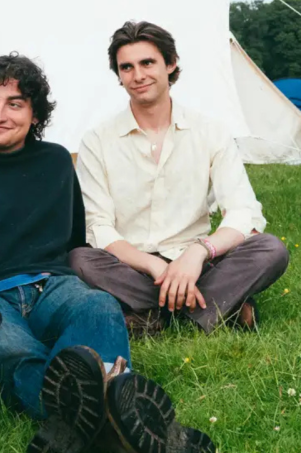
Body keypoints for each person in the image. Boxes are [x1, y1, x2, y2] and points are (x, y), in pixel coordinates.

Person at [0, 53, 214, 453]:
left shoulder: (54, 162)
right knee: (15, 351)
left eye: (15, 103)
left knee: (99, 306)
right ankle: (139, 428)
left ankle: (76, 424)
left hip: (52, 286)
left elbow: (72, 238)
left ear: (35, 116)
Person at [71, 21, 289, 336]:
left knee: (271, 249)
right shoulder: (97, 140)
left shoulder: (210, 132)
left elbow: (243, 211)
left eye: (147, 63)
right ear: (119, 76)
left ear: (170, 64)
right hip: (131, 267)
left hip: (196, 264)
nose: (138, 75)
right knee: (80, 259)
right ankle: (212, 308)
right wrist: (152, 265)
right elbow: (98, 226)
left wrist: (199, 253)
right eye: (127, 67)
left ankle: (151, 315)